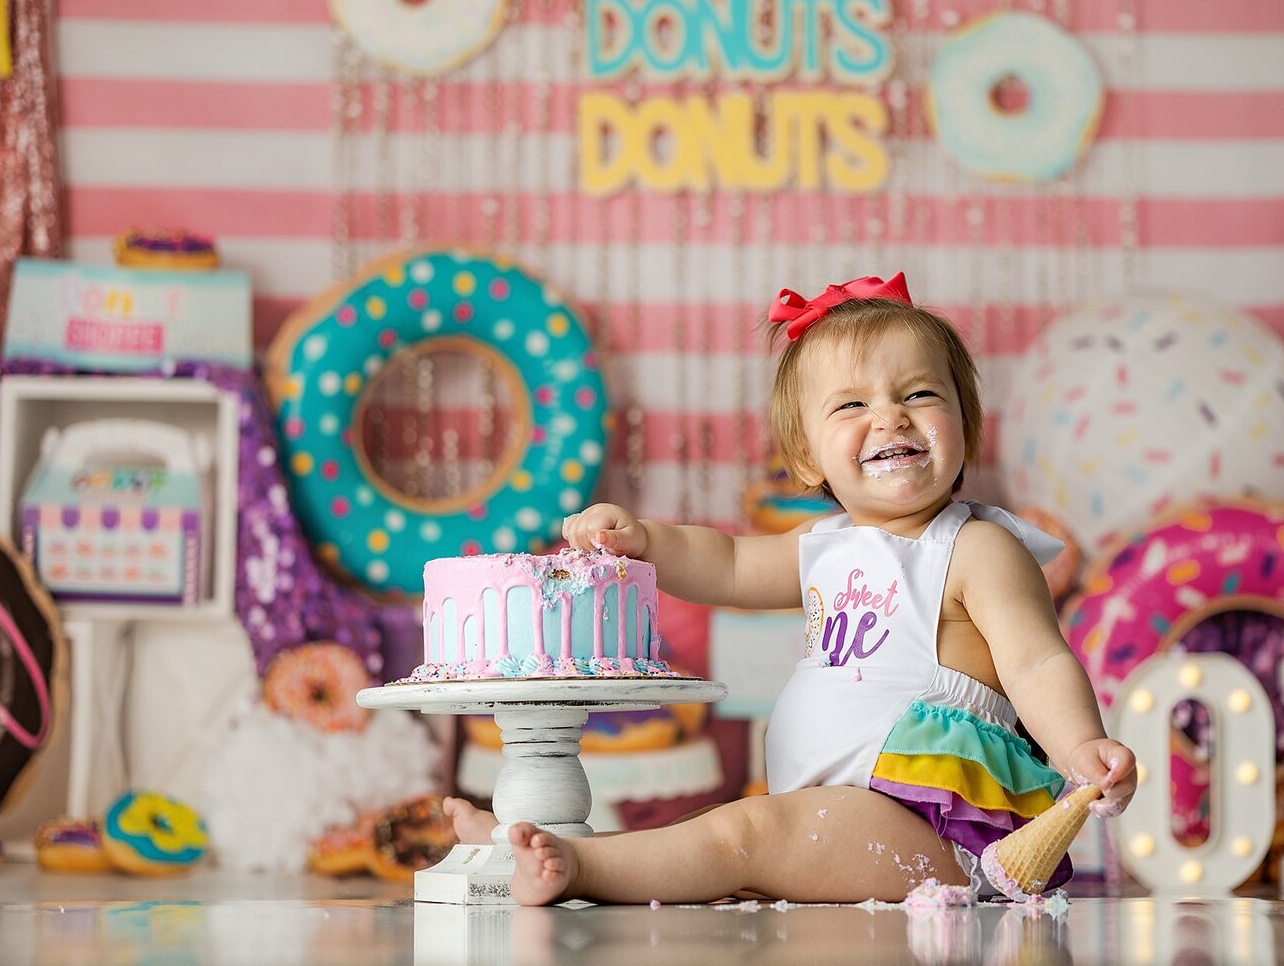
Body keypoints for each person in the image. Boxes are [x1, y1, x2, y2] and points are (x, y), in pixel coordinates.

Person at [447, 272, 1136, 906]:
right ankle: (527, 845)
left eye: (920, 393)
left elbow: (1038, 660)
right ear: (807, 456)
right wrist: (646, 542)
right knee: (725, 838)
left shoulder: (975, 548)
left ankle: (576, 866)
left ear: (966, 422)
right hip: (835, 808)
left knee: (741, 836)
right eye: (853, 405)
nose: (891, 416)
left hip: (929, 831)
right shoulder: (826, 547)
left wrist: (1079, 744)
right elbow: (724, 563)